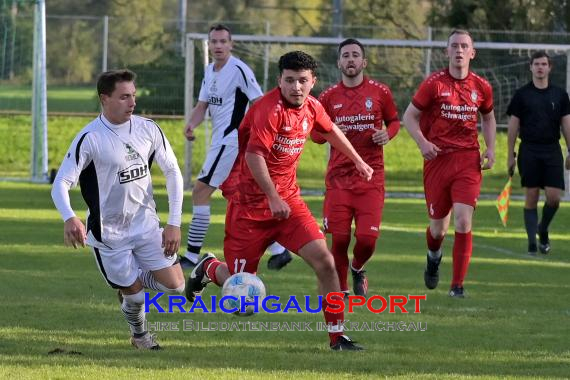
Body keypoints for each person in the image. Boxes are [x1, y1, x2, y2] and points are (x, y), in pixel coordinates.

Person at [186, 51, 373, 350]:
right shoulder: (267, 110)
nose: (295, 87)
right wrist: (271, 196)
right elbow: (253, 154)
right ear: (279, 81)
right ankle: (208, 267)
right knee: (239, 290)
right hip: (249, 209)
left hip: (289, 205)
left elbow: (331, 131)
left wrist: (358, 160)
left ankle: (338, 336)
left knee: (325, 262)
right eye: (289, 81)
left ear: (313, 81)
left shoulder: (312, 107)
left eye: (302, 81)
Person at [51, 69, 185, 350]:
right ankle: (140, 336)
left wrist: (173, 222)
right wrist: (69, 217)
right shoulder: (90, 138)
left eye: (133, 95)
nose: (132, 102)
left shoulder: (148, 128)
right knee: (135, 298)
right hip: (110, 234)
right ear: (105, 99)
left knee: (176, 287)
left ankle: (133, 281)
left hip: (146, 226)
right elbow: (60, 183)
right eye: (124, 97)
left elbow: (173, 172)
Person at [182, 24, 291, 270]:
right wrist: (191, 125)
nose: (218, 46)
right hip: (221, 142)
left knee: (200, 192)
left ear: (231, 44)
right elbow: (202, 106)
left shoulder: (240, 70)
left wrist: (263, 135)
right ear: (209, 45)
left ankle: (190, 256)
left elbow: (261, 103)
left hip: (231, 142)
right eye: (214, 42)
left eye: (223, 41)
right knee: (242, 198)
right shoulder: (209, 71)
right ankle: (279, 250)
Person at [402, 29, 496, 298]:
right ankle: (433, 256)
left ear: (472, 52)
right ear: (446, 51)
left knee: (464, 221)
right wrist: (423, 143)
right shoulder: (433, 84)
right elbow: (410, 117)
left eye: (464, 46)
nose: (459, 50)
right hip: (438, 161)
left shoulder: (481, 86)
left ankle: (457, 287)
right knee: (438, 227)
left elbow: (488, 118)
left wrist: (490, 148)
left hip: (468, 160)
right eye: (454, 46)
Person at [311, 38, 400, 298]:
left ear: (364, 62)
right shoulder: (327, 97)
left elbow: (394, 122)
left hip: (371, 176)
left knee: (367, 240)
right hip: (338, 179)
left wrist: (388, 134)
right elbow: (316, 135)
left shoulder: (380, 92)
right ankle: (343, 290)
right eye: (345, 56)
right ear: (339, 62)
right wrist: (333, 132)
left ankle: (358, 266)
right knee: (338, 239)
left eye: (355, 55)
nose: (350, 59)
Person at [507, 51, 570, 255]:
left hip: (552, 149)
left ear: (550, 67)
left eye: (544, 64)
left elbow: (567, 125)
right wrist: (510, 154)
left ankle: (543, 229)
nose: (540, 67)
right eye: (536, 64)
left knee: (554, 197)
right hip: (529, 150)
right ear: (531, 67)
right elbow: (513, 126)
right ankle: (532, 242)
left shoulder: (560, 95)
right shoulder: (522, 95)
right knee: (531, 196)